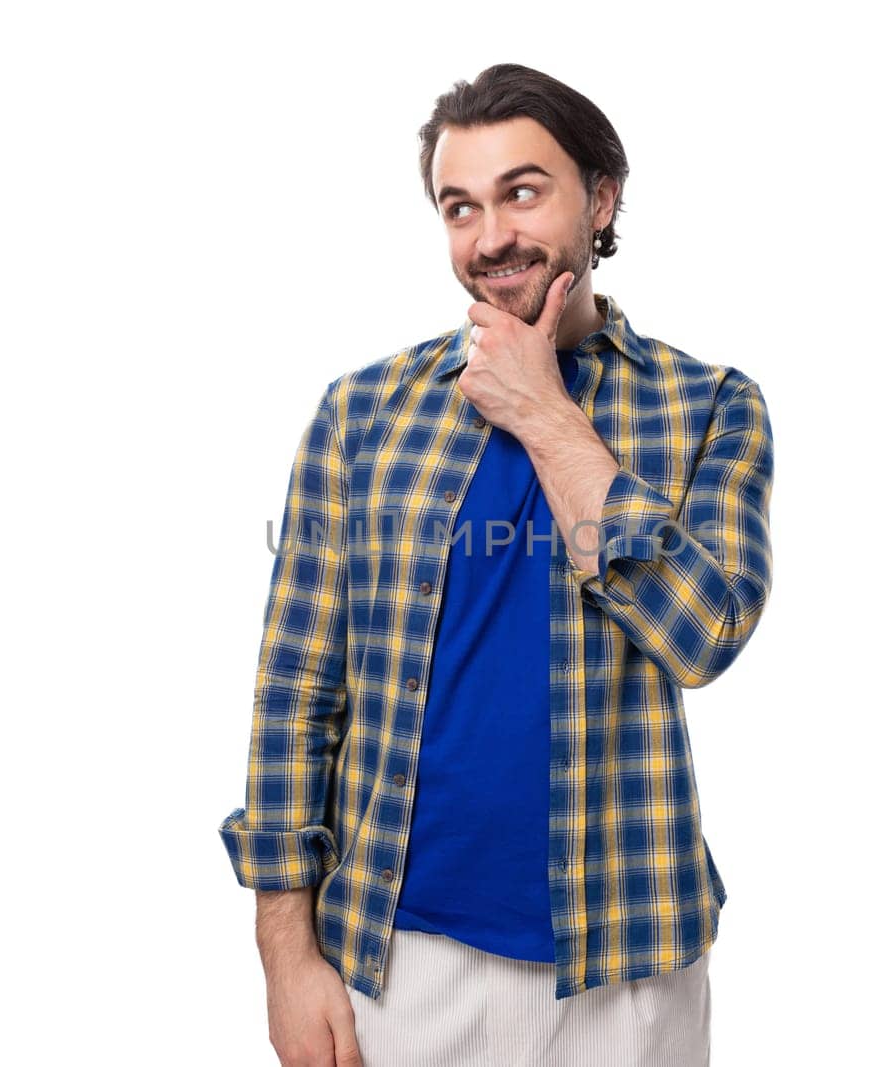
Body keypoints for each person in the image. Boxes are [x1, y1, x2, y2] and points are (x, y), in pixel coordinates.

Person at [218, 63, 774, 1066]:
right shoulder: (364, 412)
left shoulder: (710, 406)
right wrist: (285, 958)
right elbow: (295, 694)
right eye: (459, 207)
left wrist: (547, 414)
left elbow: (707, 632)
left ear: (599, 199)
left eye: (522, 192)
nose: (489, 238)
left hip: (629, 967)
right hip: (395, 960)